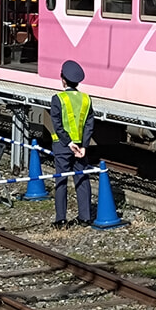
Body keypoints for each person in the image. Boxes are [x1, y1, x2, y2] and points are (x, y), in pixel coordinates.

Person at [49, 59, 94, 229]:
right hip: (81, 148)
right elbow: (89, 125)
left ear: (63, 79)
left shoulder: (57, 99)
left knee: (61, 181)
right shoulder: (86, 99)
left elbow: (57, 125)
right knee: (82, 179)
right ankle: (85, 218)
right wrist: (83, 145)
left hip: (62, 147)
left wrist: (68, 143)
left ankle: (61, 219)